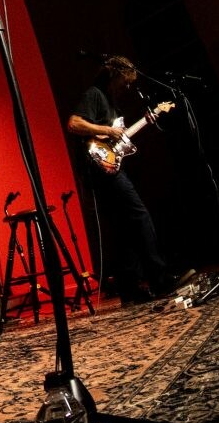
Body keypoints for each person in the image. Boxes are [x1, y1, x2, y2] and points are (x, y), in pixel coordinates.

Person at [66, 55, 177, 303]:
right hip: (99, 168)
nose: (127, 87)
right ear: (114, 75)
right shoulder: (95, 94)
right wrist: (107, 130)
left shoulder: (113, 106)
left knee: (123, 228)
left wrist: (147, 120)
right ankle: (160, 278)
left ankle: (130, 290)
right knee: (140, 216)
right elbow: (73, 124)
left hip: (110, 166)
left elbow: (120, 141)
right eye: (125, 82)